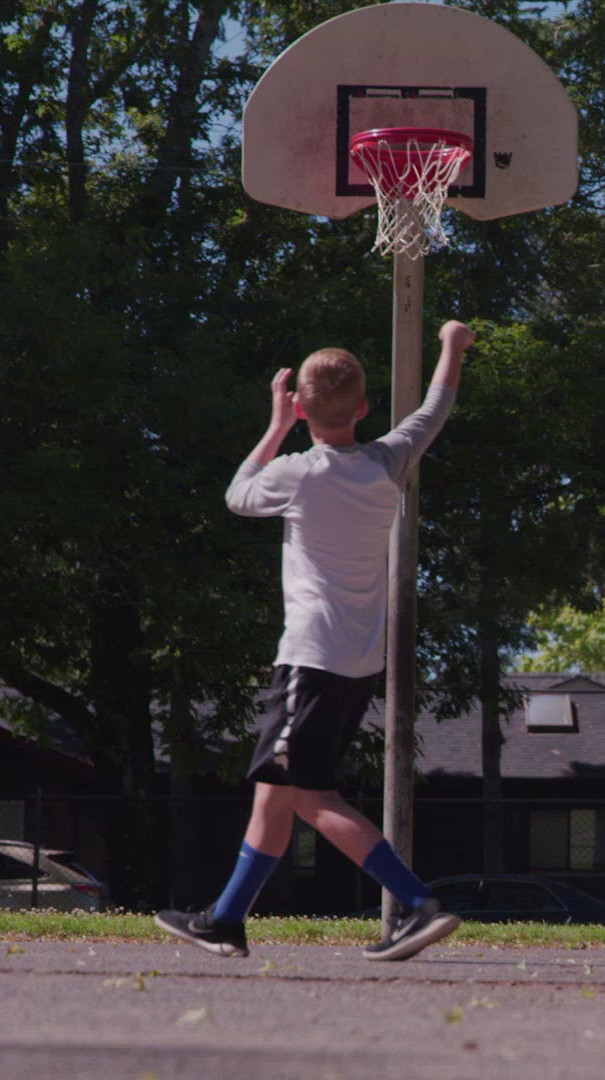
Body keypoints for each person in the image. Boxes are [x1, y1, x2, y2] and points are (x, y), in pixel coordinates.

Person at [154, 320, 474, 962]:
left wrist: (273, 426)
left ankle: (419, 903)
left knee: (309, 797)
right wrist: (451, 346)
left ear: (300, 408)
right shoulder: (389, 460)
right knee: (275, 790)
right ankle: (224, 918)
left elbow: (237, 495)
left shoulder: (295, 473)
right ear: (362, 409)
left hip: (309, 658)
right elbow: (435, 407)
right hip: (358, 661)